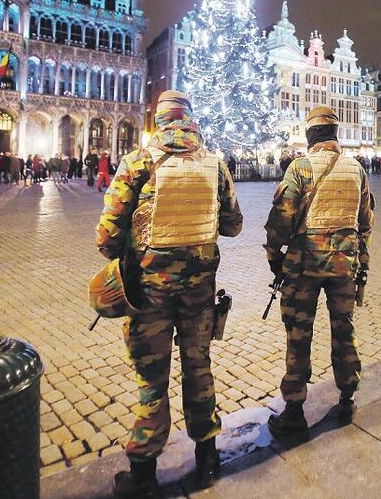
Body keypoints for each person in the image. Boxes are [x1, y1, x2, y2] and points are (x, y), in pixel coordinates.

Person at [96, 90, 242, 495]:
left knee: (151, 376)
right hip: (198, 294)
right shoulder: (214, 165)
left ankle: (143, 470)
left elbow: (106, 237)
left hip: (148, 296)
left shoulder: (138, 162)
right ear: (190, 120)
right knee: (199, 368)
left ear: (160, 121)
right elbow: (233, 225)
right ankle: (208, 457)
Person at [264, 105, 374, 439]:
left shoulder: (300, 168)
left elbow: (280, 220)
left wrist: (274, 258)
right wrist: (361, 261)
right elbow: (366, 222)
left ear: (311, 134)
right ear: (335, 133)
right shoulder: (356, 169)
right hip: (344, 266)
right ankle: (346, 397)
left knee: (299, 335)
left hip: (304, 267)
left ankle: (295, 409)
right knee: (345, 330)